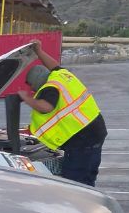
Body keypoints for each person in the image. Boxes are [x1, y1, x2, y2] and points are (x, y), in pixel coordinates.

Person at [17, 40, 107, 186]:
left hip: (81, 139)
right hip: (95, 131)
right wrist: (39, 51)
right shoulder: (60, 75)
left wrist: (26, 99)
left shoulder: (49, 88)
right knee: (88, 174)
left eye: (32, 86)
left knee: (75, 181)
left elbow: (46, 107)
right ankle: (89, 197)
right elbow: (53, 65)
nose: (33, 90)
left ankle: (79, 205)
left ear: (37, 81)